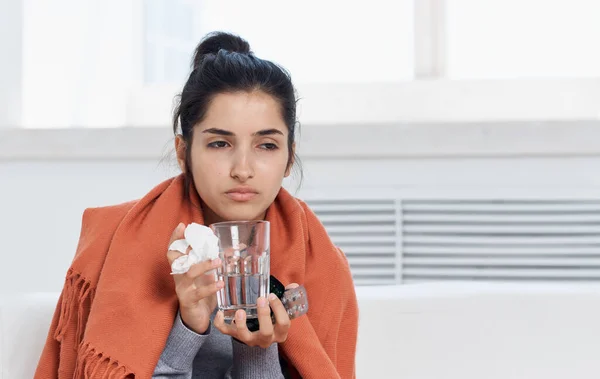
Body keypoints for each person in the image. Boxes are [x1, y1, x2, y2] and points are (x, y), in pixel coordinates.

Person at [34, 31, 358, 379]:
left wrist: (257, 349)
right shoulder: (117, 246)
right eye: (220, 143)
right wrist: (189, 327)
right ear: (183, 153)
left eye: (266, 145)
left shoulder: (321, 266)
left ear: (289, 158)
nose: (243, 170)